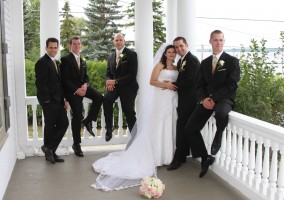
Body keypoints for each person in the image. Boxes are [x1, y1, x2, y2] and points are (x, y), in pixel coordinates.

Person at [91, 44, 178, 191]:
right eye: (169, 51)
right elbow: (152, 81)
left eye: (173, 52)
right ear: (165, 53)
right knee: (159, 126)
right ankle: (156, 156)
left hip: (172, 100)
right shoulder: (159, 65)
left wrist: (172, 86)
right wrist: (165, 84)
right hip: (161, 98)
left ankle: (168, 156)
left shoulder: (176, 68)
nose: (171, 54)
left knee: (169, 125)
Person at [184, 30, 240, 178]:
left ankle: (219, 134)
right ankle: (205, 157)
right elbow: (199, 85)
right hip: (207, 100)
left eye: (221, 40)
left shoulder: (232, 61)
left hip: (224, 98)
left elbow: (232, 85)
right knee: (190, 128)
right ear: (210, 42)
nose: (219, 43)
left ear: (224, 41)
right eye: (216, 40)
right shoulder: (205, 63)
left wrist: (214, 98)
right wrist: (203, 99)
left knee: (221, 113)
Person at [60, 36, 103, 157]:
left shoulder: (82, 60)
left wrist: (85, 84)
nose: (77, 46)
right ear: (70, 46)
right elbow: (65, 80)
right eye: (74, 44)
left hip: (83, 88)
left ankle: (88, 120)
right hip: (73, 92)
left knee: (99, 97)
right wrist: (76, 90)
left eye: (79, 44)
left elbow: (86, 76)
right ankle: (76, 144)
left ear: (81, 45)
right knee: (77, 115)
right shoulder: (65, 59)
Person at [167, 37, 201, 171]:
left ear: (186, 45)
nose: (179, 49)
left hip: (190, 100)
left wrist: (171, 85)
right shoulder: (182, 60)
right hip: (183, 100)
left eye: (181, 46)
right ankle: (183, 156)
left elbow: (190, 81)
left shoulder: (192, 60)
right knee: (184, 128)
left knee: (181, 127)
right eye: (176, 47)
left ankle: (178, 159)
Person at [35, 38, 68, 164]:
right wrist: (47, 101)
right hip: (49, 101)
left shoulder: (56, 62)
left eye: (55, 47)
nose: (53, 50)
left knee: (63, 124)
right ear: (46, 48)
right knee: (50, 126)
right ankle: (50, 152)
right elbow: (40, 84)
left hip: (59, 100)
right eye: (51, 48)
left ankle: (49, 148)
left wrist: (64, 99)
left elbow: (59, 84)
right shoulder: (42, 63)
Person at [103, 33, 139, 142]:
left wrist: (116, 81)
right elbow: (108, 73)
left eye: (120, 40)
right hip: (114, 87)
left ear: (124, 41)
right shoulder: (111, 56)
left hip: (128, 87)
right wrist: (108, 82)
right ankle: (109, 128)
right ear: (114, 42)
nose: (118, 42)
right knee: (106, 99)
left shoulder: (132, 54)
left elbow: (132, 74)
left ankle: (135, 136)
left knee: (128, 111)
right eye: (116, 40)